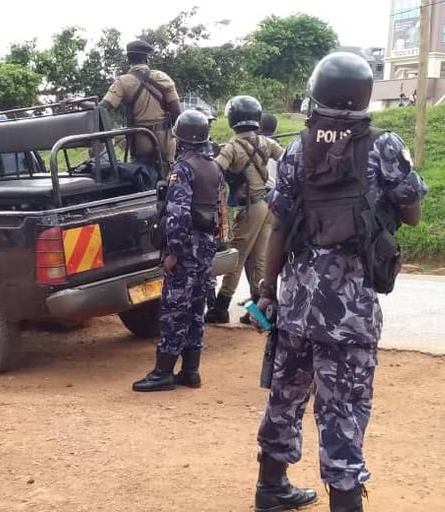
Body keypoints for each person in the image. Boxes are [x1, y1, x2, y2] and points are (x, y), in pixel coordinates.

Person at [252, 52, 427, 512]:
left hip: (296, 302)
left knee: (285, 395)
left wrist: (268, 293)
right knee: (343, 408)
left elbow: (278, 226)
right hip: (348, 311)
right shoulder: (384, 146)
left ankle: (270, 487)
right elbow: (412, 212)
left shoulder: (296, 147)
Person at [132, 110, 223, 393]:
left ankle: (163, 372)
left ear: (181, 138)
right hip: (206, 245)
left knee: (174, 310)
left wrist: (174, 252)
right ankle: (190, 370)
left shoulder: (183, 168)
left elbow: (178, 214)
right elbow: (218, 209)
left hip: (187, 246)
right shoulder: (213, 166)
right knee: (196, 308)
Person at [205, 96, 284, 325]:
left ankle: (220, 307)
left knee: (236, 258)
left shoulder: (232, 147)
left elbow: (214, 170)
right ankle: (259, 314)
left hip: (250, 209)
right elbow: (287, 159)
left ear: (232, 119)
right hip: (268, 206)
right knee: (258, 261)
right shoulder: (266, 143)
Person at [99, 40, 182, 171]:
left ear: (128, 59)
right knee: (168, 174)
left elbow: (103, 108)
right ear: (146, 58)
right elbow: (177, 112)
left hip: (141, 140)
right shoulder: (163, 78)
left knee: (143, 174)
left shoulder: (122, 82)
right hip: (164, 140)